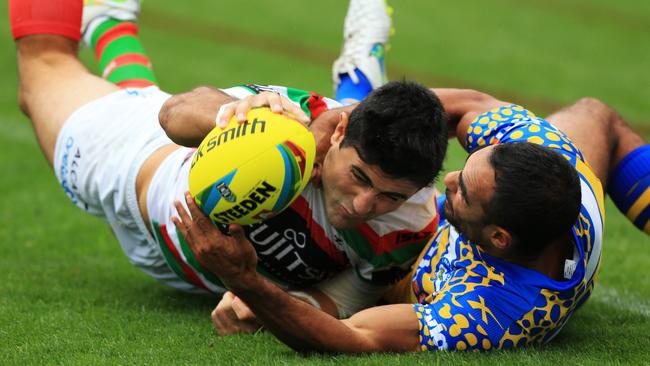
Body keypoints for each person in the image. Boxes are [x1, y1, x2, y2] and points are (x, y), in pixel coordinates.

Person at [9, 0, 448, 320]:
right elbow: (174, 113)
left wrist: (258, 300)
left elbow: (340, 301)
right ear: (336, 134)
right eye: (358, 178)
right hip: (128, 164)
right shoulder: (293, 122)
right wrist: (230, 115)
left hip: (187, 276)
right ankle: (108, 27)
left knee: (134, 90)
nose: (362, 205)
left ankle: (110, 24)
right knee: (43, 63)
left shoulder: (407, 226)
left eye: (389, 196)